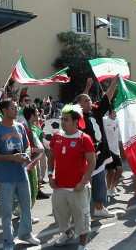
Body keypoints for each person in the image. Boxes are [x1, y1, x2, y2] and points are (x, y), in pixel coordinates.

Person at [0, 99, 40, 249]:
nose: (17, 110)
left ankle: (26, 233)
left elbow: (27, 146)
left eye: (17, 107)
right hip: (4, 176)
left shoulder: (20, 127)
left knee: (26, 205)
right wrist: (11, 157)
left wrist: (27, 154)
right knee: (7, 211)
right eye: (13, 108)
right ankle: (8, 242)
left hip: (21, 173)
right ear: (4, 111)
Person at [48, 104, 96, 249]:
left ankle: (82, 244)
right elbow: (51, 157)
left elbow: (92, 162)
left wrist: (82, 182)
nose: (63, 122)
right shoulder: (56, 137)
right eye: (62, 119)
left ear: (76, 122)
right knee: (60, 215)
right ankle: (68, 233)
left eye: (66, 120)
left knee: (82, 217)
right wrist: (50, 175)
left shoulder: (84, 138)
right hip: (60, 186)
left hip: (77, 187)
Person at [75, 75, 118, 218]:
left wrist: (114, 82)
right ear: (79, 105)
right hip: (85, 157)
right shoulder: (76, 117)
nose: (90, 102)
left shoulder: (96, 110)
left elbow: (107, 97)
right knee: (85, 184)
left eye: (90, 100)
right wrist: (86, 89)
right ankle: (82, 211)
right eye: (86, 101)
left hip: (99, 154)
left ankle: (99, 208)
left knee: (100, 181)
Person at [104, 104, 123, 197]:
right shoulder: (104, 120)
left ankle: (112, 186)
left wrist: (121, 146)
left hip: (116, 150)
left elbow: (119, 135)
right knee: (111, 171)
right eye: (116, 111)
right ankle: (108, 189)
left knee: (119, 170)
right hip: (107, 150)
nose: (117, 113)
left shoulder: (117, 120)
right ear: (111, 112)